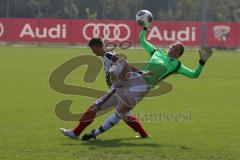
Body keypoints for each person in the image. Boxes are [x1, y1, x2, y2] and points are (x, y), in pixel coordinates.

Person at [81, 27, 213, 141]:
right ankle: (109, 85)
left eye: (176, 49)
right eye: (173, 46)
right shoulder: (156, 52)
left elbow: (194, 74)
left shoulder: (176, 65)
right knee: (120, 70)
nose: (172, 49)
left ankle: (95, 133)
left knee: (120, 112)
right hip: (135, 77)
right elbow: (142, 41)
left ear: (178, 55)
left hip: (142, 86)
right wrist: (144, 29)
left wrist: (201, 63)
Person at [60, 37, 149, 139]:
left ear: (98, 47)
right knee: (125, 114)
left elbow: (124, 64)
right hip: (121, 89)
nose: (93, 52)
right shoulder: (107, 55)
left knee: (94, 108)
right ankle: (144, 135)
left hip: (117, 90)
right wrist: (141, 73)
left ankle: (75, 133)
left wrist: (140, 73)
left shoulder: (108, 55)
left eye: (93, 49)